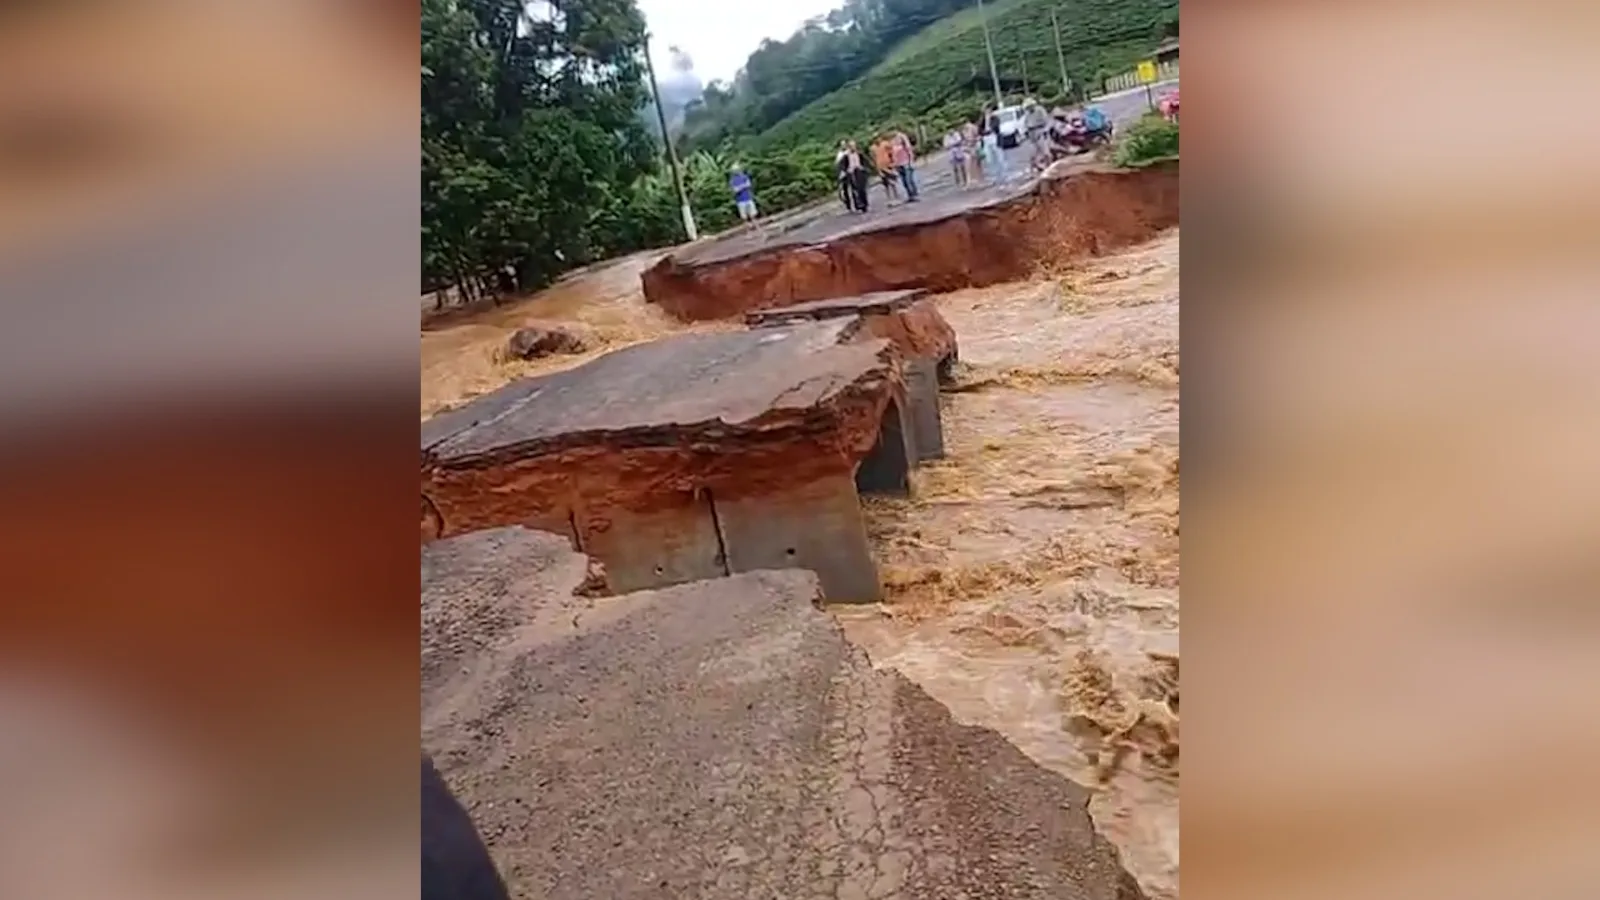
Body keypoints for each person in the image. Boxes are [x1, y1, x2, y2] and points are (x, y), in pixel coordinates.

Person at [839, 139, 870, 212]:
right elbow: (842, 165)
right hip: (851, 173)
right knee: (855, 190)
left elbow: (866, 162)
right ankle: (858, 204)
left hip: (859, 172)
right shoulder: (846, 156)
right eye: (851, 146)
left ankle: (865, 204)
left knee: (862, 189)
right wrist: (845, 171)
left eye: (854, 146)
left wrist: (864, 168)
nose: (853, 148)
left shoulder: (859, 154)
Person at [889, 128, 919, 201]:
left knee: (908, 179)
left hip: (905, 162)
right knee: (904, 181)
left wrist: (911, 160)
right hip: (898, 164)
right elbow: (893, 154)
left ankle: (913, 194)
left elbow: (908, 149)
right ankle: (910, 195)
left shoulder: (902, 138)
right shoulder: (892, 142)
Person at [871, 137, 900, 203]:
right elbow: (873, 159)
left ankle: (896, 197)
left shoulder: (885, 144)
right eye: (875, 139)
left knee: (893, 182)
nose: (878, 140)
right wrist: (877, 170)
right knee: (886, 184)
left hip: (888, 165)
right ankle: (889, 199)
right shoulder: (873, 148)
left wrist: (893, 161)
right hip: (880, 167)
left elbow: (892, 151)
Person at [962, 118, 984, 183]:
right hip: (968, 147)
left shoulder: (973, 127)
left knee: (976, 163)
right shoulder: (964, 129)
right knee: (969, 164)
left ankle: (978, 178)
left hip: (973, 147)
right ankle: (972, 179)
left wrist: (974, 140)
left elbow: (978, 137)